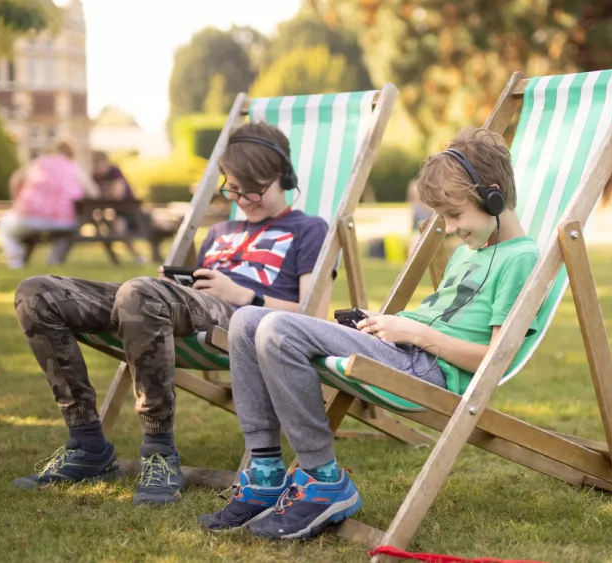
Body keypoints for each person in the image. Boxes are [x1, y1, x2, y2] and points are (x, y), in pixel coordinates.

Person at [198, 126, 540, 540]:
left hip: (430, 369)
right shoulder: (472, 251)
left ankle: (323, 479)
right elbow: (442, 317)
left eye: (454, 215)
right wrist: (387, 326)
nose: (449, 229)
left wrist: (413, 333)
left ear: (493, 196)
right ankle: (266, 471)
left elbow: (493, 358)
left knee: (278, 329)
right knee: (245, 322)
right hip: (404, 348)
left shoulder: (522, 258)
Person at [12, 122, 333, 507]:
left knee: (141, 292)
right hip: (178, 309)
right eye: (231, 187)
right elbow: (186, 298)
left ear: (284, 176)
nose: (242, 198)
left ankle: (160, 453)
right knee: (37, 294)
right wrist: (174, 287)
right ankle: (87, 444)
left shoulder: (310, 230)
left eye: (253, 188)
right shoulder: (219, 232)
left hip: (245, 320)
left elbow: (312, 316)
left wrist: (245, 294)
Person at [0, 141, 99, 269]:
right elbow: (94, 192)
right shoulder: (73, 167)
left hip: (30, 216)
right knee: (68, 232)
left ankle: (15, 258)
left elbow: (16, 179)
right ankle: (53, 261)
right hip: (63, 220)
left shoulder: (39, 162)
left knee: (4, 225)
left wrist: (16, 201)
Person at [91, 151, 148, 263]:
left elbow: (118, 194)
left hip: (131, 211)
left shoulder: (115, 172)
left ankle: (138, 256)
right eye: (94, 164)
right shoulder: (95, 176)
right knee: (105, 227)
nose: (96, 167)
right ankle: (125, 258)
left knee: (117, 226)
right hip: (115, 212)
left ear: (106, 163)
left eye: (98, 164)